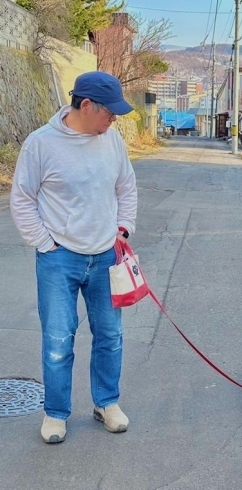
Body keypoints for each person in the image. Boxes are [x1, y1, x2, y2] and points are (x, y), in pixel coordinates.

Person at [10, 71, 137, 444]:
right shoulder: (41, 144)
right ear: (85, 106)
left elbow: (126, 187)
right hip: (59, 258)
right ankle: (55, 414)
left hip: (105, 256)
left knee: (110, 334)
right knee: (58, 339)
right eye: (109, 112)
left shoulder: (112, 141)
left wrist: (122, 230)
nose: (114, 119)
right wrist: (45, 243)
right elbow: (22, 198)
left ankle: (106, 404)